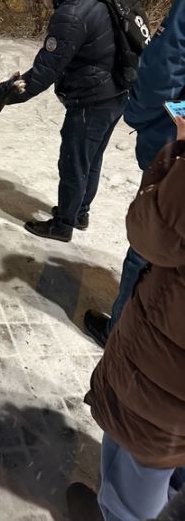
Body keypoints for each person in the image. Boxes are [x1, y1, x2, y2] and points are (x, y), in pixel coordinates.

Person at [66, 116, 185, 521]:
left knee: (141, 451)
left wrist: (179, 150)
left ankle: (116, 513)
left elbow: (151, 231)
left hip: (167, 367)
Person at [0, 0, 127, 242]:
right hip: (115, 92)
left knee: (73, 160)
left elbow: (42, 74)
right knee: (91, 158)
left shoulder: (71, 13)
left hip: (92, 98)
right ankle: (79, 212)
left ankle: (63, 225)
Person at [83, 0, 185, 347]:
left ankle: (121, 337)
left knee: (152, 240)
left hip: (175, 149)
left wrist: (141, 118)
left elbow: (162, 67)